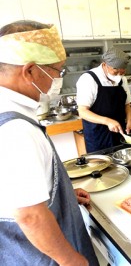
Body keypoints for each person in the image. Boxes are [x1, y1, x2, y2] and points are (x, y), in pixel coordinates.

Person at [0, 20, 99, 265]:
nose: (59, 78)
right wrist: (71, 260)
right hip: (38, 256)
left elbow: (17, 192)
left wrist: (63, 196)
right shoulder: (16, 129)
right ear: (30, 70)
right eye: (57, 70)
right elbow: (30, 216)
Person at [76, 47, 131, 153]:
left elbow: (127, 105)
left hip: (119, 132)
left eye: (121, 72)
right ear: (104, 65)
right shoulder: (88, 79)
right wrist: (107, 121)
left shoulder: (122, 79)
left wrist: (130, 121)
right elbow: (82, 111)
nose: (119, 75)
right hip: (98, 136)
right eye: (115, 71)